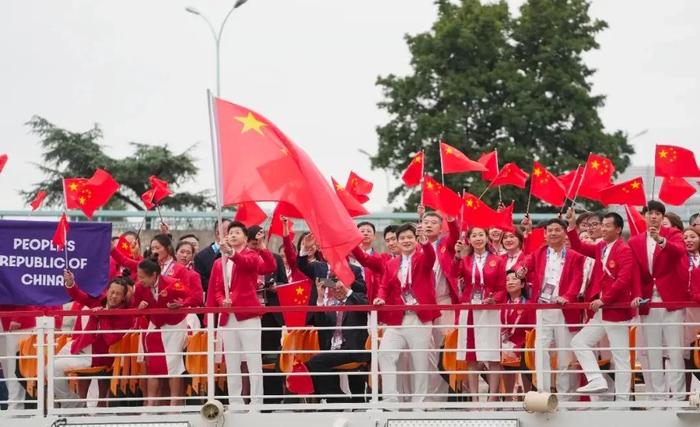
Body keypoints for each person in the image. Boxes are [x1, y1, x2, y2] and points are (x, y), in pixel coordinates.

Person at [514, 218, 585, 401]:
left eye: (557, 230)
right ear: (545, 234)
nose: (553, 233)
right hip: (543, 307)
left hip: (563, 309)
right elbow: (523, 264)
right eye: (550, 230)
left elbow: (577, 280)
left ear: (564, 233)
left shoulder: (575, 256)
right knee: (541, 349)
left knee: (564, 354)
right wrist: (520, 271)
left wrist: (567, 297)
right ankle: (543, 392)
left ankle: (565, 397)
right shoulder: (539, 253)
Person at [566, 211, 635, 399]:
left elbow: (623, 280)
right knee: (579, 342)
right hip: (602, 312)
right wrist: (572, 225)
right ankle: (596, 379)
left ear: (618, 229)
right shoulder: (602, 247)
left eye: (607, 226)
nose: (602, 229)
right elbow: (579, 246)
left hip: (615, 311)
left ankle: (622, 402)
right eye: (602, 225)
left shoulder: (624, 249)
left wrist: (604, 300)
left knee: (621, 358)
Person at [209, 221, 276, 408]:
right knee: (231, 362)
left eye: (237, 232)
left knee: (253, 360)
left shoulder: (251, 255)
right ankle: (236, 403)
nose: (233, 235)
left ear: (246, 238)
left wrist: (231, 253)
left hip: (248, 315)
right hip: (227, 316)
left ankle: (256, 403)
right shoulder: (217, 263)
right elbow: (217, 288)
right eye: (230, 233)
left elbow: (247, 264)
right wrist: (223, 300)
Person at [628, 200, 688, 401]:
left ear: (663, 217)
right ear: (644, 216)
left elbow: (679, 251)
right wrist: (636, 293)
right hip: (648, 302)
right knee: (652, 351)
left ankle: (679, 397)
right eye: (650, 213)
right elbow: (635, 271)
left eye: (658, 214)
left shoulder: (674, 235)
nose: (653, 217)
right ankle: (657, 397)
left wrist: (661, 240)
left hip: (670, 301)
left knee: (675, 351)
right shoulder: (635, 241)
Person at [374, 223, 437, 404]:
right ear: (397, 242)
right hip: (397, 320)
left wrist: (425, 243)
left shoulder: (422, 258)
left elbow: (431, 258)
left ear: (415, 240)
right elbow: (384, 286)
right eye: (402, 238)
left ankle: (419, 403)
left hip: (419, 319)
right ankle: (390, 401)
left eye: (410, 237)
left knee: (420, 363)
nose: (406, 241)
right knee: (385, 354)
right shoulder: (391, 264)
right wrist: (380, 298)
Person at [54, 270, 133, 408]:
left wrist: (103, 316)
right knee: (48, 368)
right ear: (107, 291)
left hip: (97, 356)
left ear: (123, 297)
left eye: (118, 294)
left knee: (53, 368)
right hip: (78, 346)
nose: (113, 296)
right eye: (112, 292)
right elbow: (78, 295)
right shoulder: (100, 300)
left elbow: (110, 340)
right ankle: (72, 402)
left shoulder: (125, 315)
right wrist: (70, 282)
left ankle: (71, 405)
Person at [133, 257, 202, 406]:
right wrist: (140, 309)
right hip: (155, 326)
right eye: (138, 276)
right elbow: (134, 310)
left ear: (154, 275)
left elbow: (195, 298)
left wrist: (182, 304)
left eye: (142, 277)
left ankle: (175, 404)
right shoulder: (139, 288)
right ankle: (151, 404)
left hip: (175, 326)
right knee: (154, 364)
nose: (140, 280)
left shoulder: (172, 283)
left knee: (174, 363)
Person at [451, 227, 506, 400]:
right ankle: (474, 398)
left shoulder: (497, 260)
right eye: (474, 235)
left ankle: (493, 397)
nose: (478, 238)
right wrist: (456, 257)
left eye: (481, 234)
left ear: (486, 237)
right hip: (470, 309)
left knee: (493, 355)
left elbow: (502, 287)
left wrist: (494, 299)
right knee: (471, 356)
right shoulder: (465, 259)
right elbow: (453, 274)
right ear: (469, 239)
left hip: (490, 310)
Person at [305, 277, 368, 403]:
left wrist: (348, 291)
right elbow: (321, 323)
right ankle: (337, 400)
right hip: (334, 348)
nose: (337, 290)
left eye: (340, 288)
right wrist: (321, 298)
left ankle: (339, 399)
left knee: (317, 361)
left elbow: (366, 306)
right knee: (314, 363)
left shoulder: (356, 299)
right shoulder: (331, 305)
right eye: (334, 288)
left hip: (353, 349)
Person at [419, 207, 460, 400]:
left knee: (446, 349)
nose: (428, 225)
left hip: (444, 303)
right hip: (423, 305)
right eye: (425, 222)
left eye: (433, 222)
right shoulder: (416, 246)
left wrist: (451, 221)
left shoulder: (445, 244)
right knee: (427, 351)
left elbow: (456, 236)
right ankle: (431, 397)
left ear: (440, 227)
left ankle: (452, 395)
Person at [500, 270, 534, 400]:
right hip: (505, 346)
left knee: (525, 358)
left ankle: (527, 397)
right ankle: (508, 400)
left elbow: (531, 331)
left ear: (522, 284)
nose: (510, 282)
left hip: (523, 346)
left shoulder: (529, 305)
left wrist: (518, 347)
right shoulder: (502, 305)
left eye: (514, 279)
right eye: (507, 280)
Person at [194, 219, 232, 295]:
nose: (233, 234)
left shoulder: (238, 253)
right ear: (218, 233)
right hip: (214, 298)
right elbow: (202, 282)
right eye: (229, 231)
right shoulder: (201, 256)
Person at [683, 227, 700, 385]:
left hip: (699, 310)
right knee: (687, 354)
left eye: (692, 236)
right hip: (685, 312)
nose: (688, 240)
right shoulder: (680, 259)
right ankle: (687, 395)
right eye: (685, 237)